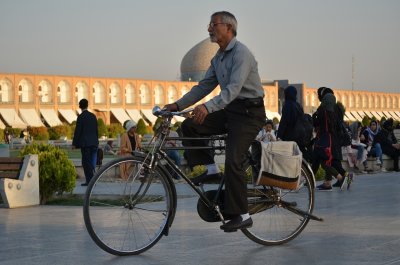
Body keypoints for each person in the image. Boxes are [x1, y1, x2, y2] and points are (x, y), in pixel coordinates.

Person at [164, 11, 266, 232]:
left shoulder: (242, 54)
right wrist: (177, 105)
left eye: (213, 24)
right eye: (209, 24)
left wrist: (207, 107)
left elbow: (232, 90)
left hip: (249, 114)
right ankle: (211, 169)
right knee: (190, 125)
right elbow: (203, 86)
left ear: (229, 27)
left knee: (234, 158)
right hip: (231, 110)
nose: (209, 28)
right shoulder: (218, 57)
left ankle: (243, 214)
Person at [312, 88, 346, 191]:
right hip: (334, 139)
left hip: (325, 139)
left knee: (324, 161)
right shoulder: (336, 108)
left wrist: (314, 116)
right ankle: (328, 182)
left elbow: (317, 123)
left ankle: (341, 177)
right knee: (330, 160)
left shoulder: (323, 109)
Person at [277, 85, 312, 161]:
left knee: (289, 157)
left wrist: (279, 135)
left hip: (289, 136)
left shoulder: (287, 105)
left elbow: (284, 121)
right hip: (298, 135)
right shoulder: (298, 105)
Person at [72, 98, 99, 186]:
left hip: (85, 144)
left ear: (80, 106)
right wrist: (96, 141)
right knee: (91, 162)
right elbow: (96, 130)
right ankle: (92, 181)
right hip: (94, 142)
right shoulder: (93, 116)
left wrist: (74, 144)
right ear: (87, 105)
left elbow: (78, 131)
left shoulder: (81, 117)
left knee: (86, 163)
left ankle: (90, 182)